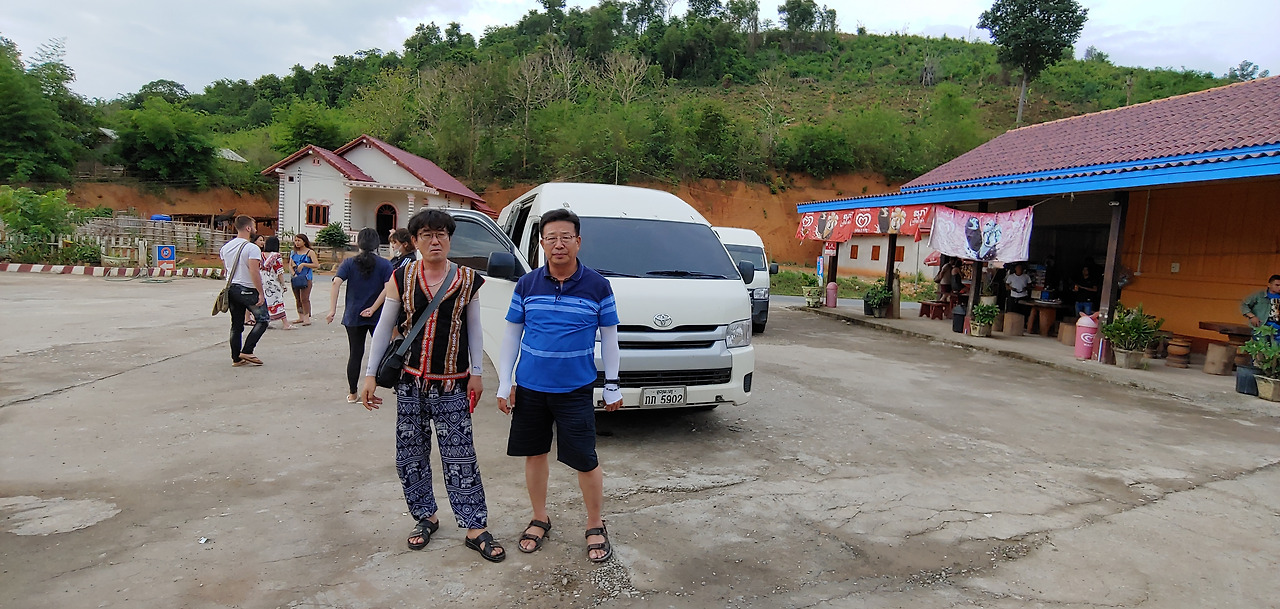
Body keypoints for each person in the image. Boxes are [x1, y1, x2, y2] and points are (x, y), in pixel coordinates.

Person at [359, 209, 505, 562]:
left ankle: (475, 526)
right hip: (409, 382)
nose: (435, 240)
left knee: (461, 455)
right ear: (415, 240)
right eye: (426, 234)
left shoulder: (468, 279)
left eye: (441, 234)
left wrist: (476, 372)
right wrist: (370, 374)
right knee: (410, 454)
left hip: (453, 384)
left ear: (450, 239)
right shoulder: (401, 276)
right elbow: (384, 326)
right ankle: (425, 516)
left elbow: (474, 329)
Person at [495, 208, 623, 563]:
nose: (559, 244)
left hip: (575, 390)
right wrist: (505, 383)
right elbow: (511, 335)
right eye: (551, 238)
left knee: (585, 459)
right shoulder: (527, 284)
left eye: (566, 237)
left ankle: (595, 523)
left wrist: (612, 384)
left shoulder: (598, 286)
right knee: (535, 454)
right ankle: (539, 517)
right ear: (542, 244)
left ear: (578, 241)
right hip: (531, 389)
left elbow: (610, 339)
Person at [328, 228, 394, 403]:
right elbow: (388, 288)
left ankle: (353, 393)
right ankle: (391, 386)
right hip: (378, 315)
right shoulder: (385, 264)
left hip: (353, 315)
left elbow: (336, 283)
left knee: (355, 353)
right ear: (377, 244)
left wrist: (332, 310)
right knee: (384, 351)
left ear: (359, 243)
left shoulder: (349, 263)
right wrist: (373, 308)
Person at [219, 215, 268, 367]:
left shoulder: (225, 247)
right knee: (263, 319)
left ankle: (236, 358)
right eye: (254, 226)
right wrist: (260, 292)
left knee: (236, 324)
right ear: (248, 228)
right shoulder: (252, 248)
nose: (255, 229)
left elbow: (226, 269)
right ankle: (247, 350)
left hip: (231, 288)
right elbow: (254, 271)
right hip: (247, 288)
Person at [260, 237, 294, 331]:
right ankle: (285, 324)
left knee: (265, 300)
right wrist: (283, 284)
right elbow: (279, 271)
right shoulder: (276, 256)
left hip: (261, 279)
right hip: (272, 280)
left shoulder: (260, 254)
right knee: (278, 300)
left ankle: (266, 321)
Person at [289, 234, 318, 326]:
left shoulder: (310, 252)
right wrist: (293, 273)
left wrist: (304, 264)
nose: (297, 243)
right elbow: (290, 265)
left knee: (304, 298)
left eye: (299, 240)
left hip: (306, 278)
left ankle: (306, 317)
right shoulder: (293, 252)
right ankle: (300, 316)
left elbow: (316, 264)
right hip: (296, 277)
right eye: (296, 240)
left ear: (304, 242)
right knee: (297, 298)